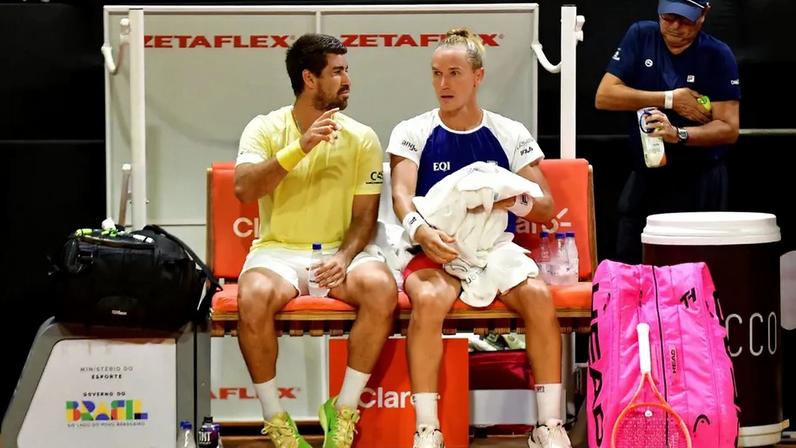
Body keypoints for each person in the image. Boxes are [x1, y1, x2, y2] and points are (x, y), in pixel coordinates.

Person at [387, 28, 572, 448]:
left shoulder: (509, 132)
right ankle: (428, 429)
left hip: (493, 249)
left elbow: (544, 206)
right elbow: (401, 195)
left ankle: (548, 425)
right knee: (428, 300)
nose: (443, 83)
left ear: (478, 76)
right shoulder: (412, 130)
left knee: (538, 298)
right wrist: (422, 231)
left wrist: (505, 198)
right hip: (433, 246)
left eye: (454, 73)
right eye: (436, 73)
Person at [234, 33, 398, 448]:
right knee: (252, 296)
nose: (348, 80)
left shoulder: (363, 137)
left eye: (347, 70)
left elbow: (364, 218)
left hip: (340, 253)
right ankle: (275, 419)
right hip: (278, 253)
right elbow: (244, 189)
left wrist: (344, 257)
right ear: (309, 79)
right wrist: (300, 148)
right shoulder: (264, 127)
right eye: (337, 71)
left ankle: (344, 410)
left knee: (382, 288)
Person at [595, 0, 741, 263]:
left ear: (703, 14)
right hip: (647, 173)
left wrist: (678, 134)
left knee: (695, 265)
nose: (674, 26)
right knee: (632, 259)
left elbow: (728, 128)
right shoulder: (641, 35)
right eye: (668, 17)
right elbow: (604, 96)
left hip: (699, 179)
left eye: (685, 19)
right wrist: (671, 99)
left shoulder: (717, 54)